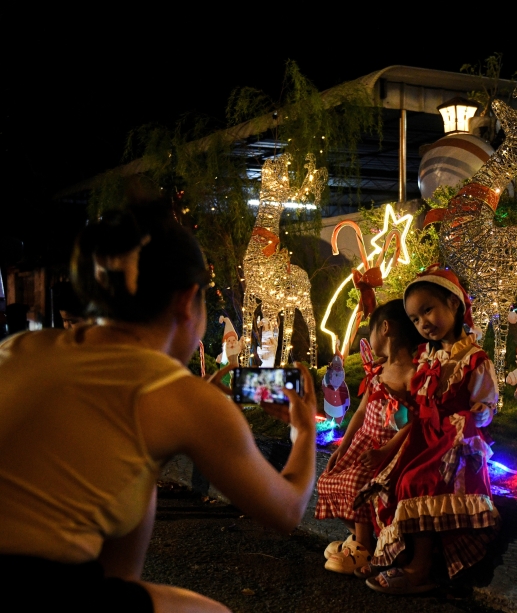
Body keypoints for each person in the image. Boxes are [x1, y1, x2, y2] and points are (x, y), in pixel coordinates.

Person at [0, 204, 317, 612]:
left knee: (141, 474)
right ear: (188, 301)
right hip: (40, 588)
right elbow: (287, 509)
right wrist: (304, 431)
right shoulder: (174, 393)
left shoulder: (19, 348)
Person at [362, 266, 499, 595]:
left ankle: (419, 568)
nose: (423, 322)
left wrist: (482, 413)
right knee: (390, 479)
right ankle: (402, 556)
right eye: (414, 318)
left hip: (455, 440)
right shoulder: (426, 358)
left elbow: (486, 402)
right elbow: (419, 405)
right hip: (425, 435)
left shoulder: (474, 359)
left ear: (453, 304)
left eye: (428, 310)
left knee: (416, 482)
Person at [316, 299, 422, 576]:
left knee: (357, 485)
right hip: (365, 441)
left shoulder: (413, 374)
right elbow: (362, 410)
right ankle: (361, 537)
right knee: (328, 478)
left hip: (388, 448)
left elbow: (415, 422)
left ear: (385, 328)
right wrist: (344, 445)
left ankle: (362, 546)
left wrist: (386, 449)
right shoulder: (378, 370)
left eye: (370, 329)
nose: (369, 337)